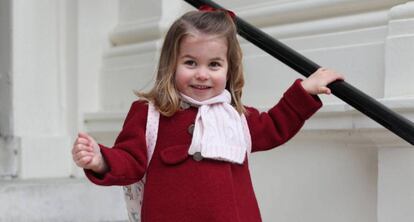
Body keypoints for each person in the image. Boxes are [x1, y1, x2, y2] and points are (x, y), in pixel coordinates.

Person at [72, 9, 343, 222]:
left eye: (214, 64)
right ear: (171, 63)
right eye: (190, 62)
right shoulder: (150, 114)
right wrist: (101, 159)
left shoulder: (236, 116)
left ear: (229, 68)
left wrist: (304, 92)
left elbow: (275, 125)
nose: (202, 74)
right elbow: (130, 160)